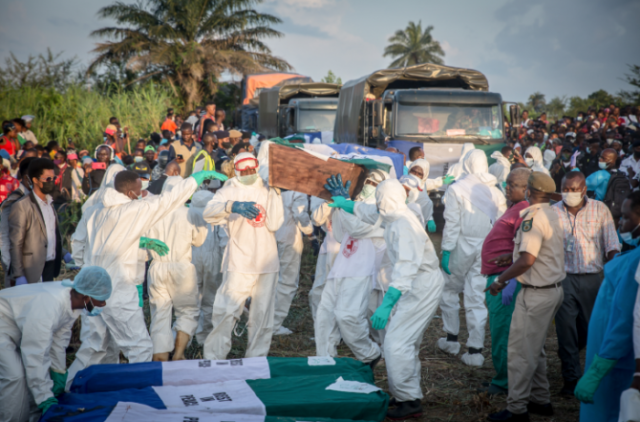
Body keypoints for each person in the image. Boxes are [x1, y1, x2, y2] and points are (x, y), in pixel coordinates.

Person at [65, 168, 227, 388]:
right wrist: (193, 180)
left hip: (92, 288)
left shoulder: (95, 211)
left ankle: (71, 387)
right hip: (118, 289)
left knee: (96, 347)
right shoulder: (134, 210)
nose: (143, 194)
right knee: (140, 348)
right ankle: (141, 396)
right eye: (139, 190)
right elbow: (168, 201)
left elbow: (81, 243)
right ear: (130, 192)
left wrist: (87, 273)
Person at [329, 178, 445, 420]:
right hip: (414, 283)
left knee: (395, 343)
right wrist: (344, 202)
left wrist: (387, 304)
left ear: (388, 200)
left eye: (381, 199)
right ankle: (407, 394)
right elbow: (367, 211)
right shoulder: (391, 214)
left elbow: (405, 271)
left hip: (420, 285)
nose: (378, 204)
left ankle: (409, 402)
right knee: (406, 342)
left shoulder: (404, 225)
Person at [487, 172, 565, 422]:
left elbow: (528, 260)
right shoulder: (553, 213)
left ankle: (517, 409)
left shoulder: (532, 217)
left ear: (529, 191)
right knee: (534, 349)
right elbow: (536, 253)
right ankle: (540, 400)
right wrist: (512, 258)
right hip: (551, 289)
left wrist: (501, 280)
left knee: (521, 352)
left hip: (536, 293)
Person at [0, 266, 112, 422]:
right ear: (86, 297)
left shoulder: (71, 303)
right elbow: (36, 354)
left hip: (15, 328)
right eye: (100, 300)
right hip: (3, 326)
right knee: (15, 377)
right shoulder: (50, 306)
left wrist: (58, 372)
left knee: (31, 377)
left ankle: (33, 416)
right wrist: (45, 397)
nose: (103, 304)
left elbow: (58, 342)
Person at [201, 152, 284, 359]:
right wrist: (232, 206)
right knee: (226, 310)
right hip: (239, 260)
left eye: (251, 169)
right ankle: (214, 358)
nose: (248, 173)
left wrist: (276, 193)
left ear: (257, 167)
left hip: (266, 261)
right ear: (236, 170)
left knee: (262, 315)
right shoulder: (228, 189)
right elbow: (208, 213)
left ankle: (256, 359)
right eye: (244, 170)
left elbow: (274, 223)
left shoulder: (268, 188)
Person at [573, 192, 640, 422]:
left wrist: (599, 368)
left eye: (626, 217)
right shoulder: (633, 257)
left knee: (609, 409)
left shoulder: (635, 264)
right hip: (609, 352)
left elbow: (626, 318)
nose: (620, 223)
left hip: (615, 361)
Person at [553, 171, 620, 396]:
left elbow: (612, 245)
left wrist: (613, 276)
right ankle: (571, 379)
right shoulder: (553, 212)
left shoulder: (600, 209)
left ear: (584, 189)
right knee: (565, 329)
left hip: (592, 279)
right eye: (565, 189)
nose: (569, 193)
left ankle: (587, 368)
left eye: (574, 189)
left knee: (591, 328)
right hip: (563, 278)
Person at [438, 150, 507, 367]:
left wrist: (446, 250)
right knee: (476, 296)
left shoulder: (456, 188)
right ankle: (475, 350)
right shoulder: (495, 191)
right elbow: (501, 225)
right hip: (486, 248)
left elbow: (452, 223)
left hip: (460, 245)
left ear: (466, 164)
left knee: (449, 289)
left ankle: (451, 339)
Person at [315, 172, 388, 365]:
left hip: (361, 271)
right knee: (325, 315)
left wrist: (345, 203)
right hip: (341, 267)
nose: (370, 185)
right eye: (368, 181)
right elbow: (340, 235)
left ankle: (370, 354)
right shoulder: (355, 204)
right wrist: (339, 206)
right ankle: (325, 359)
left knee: (348, 317)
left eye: (376, 183)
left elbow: (357, 229)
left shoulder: (379, 211)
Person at [478, 168, 530, 396]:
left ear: (526, 189)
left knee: (503, 333)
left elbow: (524, 247)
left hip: (506, 280)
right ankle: (502, 377)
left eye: (513, 185)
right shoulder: (515, 208)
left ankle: (504, 382)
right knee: (499, 330)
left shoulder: (524, 211)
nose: (507, 188)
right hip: (501, 276)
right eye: (507, 183)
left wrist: (510, 279)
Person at [145, 177, 208, 361]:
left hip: (157, 267)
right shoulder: (190, 213)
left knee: (160, 313)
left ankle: (160, 357)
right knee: (187, 310)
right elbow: (199, 241)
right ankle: (179, 354)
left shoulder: (153, 212)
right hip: (182, 267)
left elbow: (144, 240)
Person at [9, 158, 66, 285]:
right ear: (35, 180)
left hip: (50, 266)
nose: (52, 182)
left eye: (53, 178)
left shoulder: (50, 203)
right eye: (48, 179)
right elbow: (16, 243)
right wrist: (19, 274)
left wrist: (64, 253)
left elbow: (50, 235)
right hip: (32, 269)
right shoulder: (22, 206)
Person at [273, 189, 313, 335]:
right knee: (287, 282)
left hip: (270, 236)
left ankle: (259, 316)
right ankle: (273, 325)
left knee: (270, 279)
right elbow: (299, 214)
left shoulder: (271, 184)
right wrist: (310, 232)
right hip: (289, 236)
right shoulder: (297, 190)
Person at [191, 190, 228, 344]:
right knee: (210, 299)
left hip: (191, 258)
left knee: (191, 299)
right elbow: (224, 240)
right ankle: (204, 337)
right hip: (213, 258)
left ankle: (188, 335)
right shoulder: (217, 215)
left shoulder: (188, 214)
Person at [0, 157, 35, 285]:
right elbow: (5, 237)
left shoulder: (35, 199)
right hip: (17, 268)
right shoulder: (15, 201)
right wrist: (13, 269)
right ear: (27, 178)